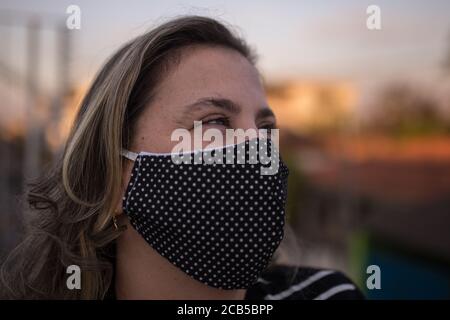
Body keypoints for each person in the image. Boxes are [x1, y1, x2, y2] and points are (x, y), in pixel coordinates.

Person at [0, 15, 364, 300]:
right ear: (114, 180)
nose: (259, 149)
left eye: (267, 127)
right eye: (215, 122)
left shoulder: (328, 295)